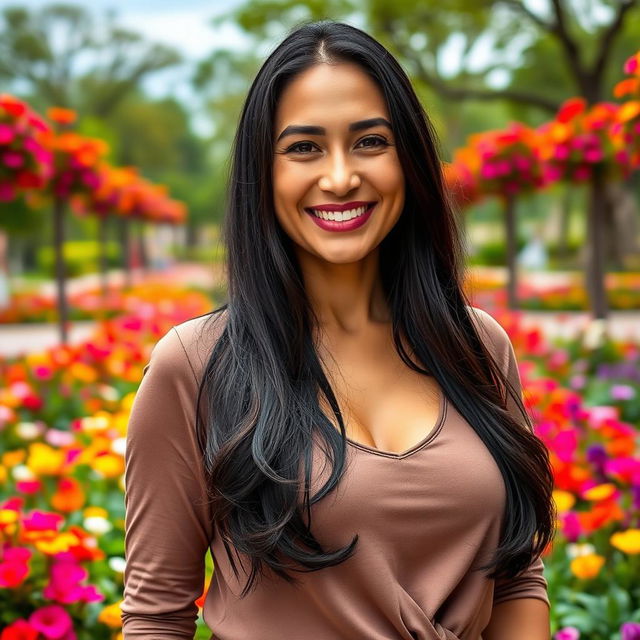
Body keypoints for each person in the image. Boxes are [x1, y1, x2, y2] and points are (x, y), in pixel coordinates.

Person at [121, 20, 556, 640]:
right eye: (304, 148)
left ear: (409, 158)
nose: (341, 176)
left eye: (370, 142)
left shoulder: (477, 346)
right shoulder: (195, 367)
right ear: (263, 174)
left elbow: (515, 575)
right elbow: (156, 617)